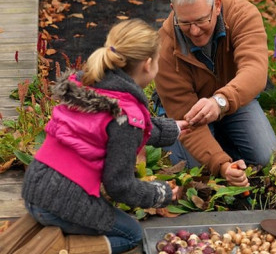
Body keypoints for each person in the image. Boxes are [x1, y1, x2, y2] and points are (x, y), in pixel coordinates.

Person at [22, 19, 189, 254]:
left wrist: (176, 128)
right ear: (148, 64)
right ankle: (56, 249)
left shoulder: (90, 85)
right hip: (62, 203)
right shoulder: (125, 115)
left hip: (35, 190)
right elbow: (119, 186)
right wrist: (159, 194)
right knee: (131, 233)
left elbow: (119, 131)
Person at [154, 0, 276, 187]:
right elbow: (184, 112)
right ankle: (213, 146)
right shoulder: (164, 47)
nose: (194, 30)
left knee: (266, 157)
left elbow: (255, 70)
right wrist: (222, 165)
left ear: (217, 5)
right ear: (174, 10)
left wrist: (220, 101)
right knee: (198, 171)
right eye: (185, 23)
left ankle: (221, 135)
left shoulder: (243, 14)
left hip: (230, 99)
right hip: (188, 113)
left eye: (201, 20)